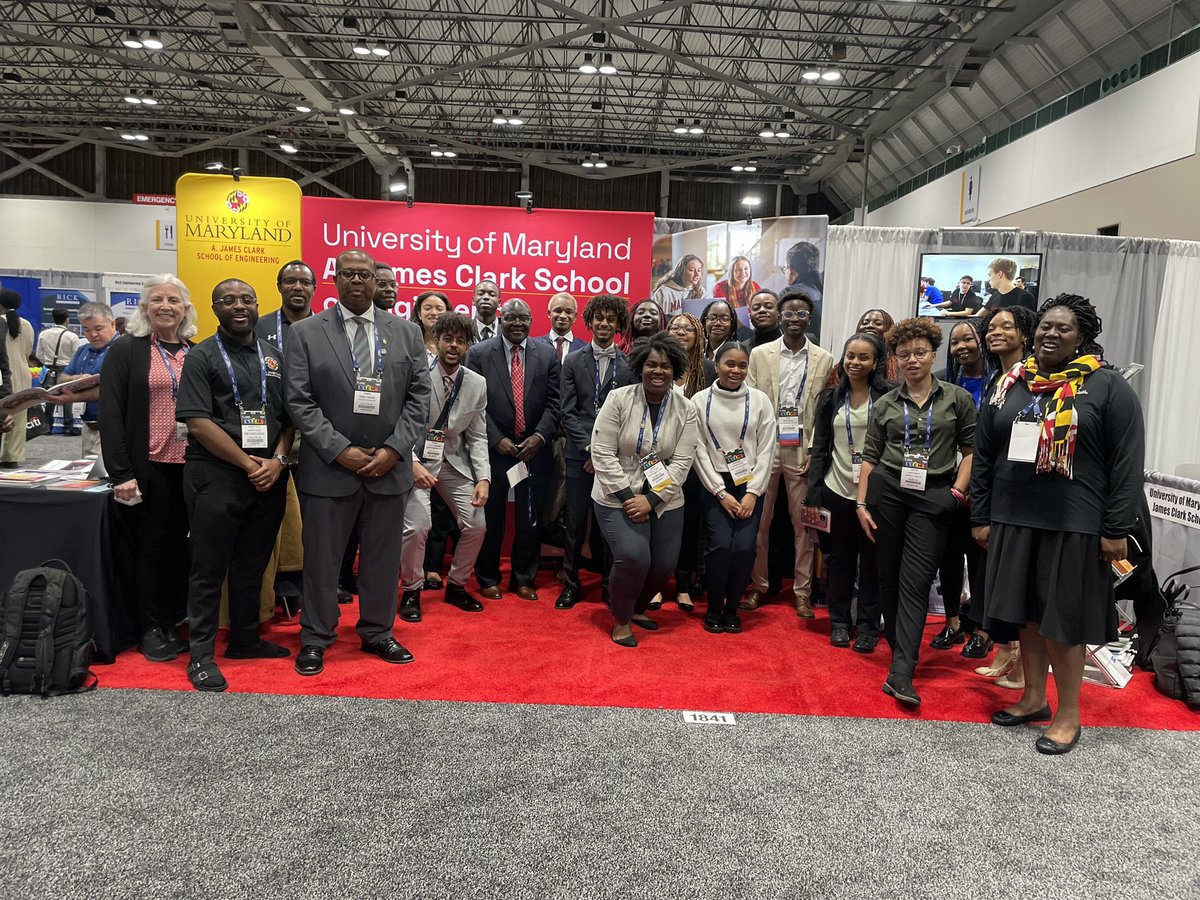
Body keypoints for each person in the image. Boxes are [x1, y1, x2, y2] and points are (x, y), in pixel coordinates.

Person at [972, 294, 1144, 754]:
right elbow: (985, 453)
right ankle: (1033, 698)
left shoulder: (1108, 387)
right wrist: (981, 514)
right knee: (1025, 613)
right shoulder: (1010, 382)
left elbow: (1127, 463)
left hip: (1075, 522)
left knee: (1061, 622)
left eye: (1063, 329)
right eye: (1046, 326)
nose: (1051, 334)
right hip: (1013, 517)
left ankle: (1068, 714)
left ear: (1082, 337)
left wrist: (1114, 528)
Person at [283, 249, 430, 676]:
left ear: (377, 280)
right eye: (348, 275)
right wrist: (339, 449)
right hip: (329, 468)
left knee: (383, 560)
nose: (357, 282)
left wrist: (394, 450)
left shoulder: (406, 333)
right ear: (335, 280)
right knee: (322, 562)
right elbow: (298, 400)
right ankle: (315, 637)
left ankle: (377, 632)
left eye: (365, 275)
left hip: (390, 469)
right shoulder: (306, 333)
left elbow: (420, 399)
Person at [175, 279, 294, 692]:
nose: (239, 306)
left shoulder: (276, 356)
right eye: (228, 300)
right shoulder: (202, 356)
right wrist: (248, 463)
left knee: (252, 563)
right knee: (208, 568)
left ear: (258, 305)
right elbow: (198, 422)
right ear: (214, 308)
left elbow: (291, 417)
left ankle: (245, 639)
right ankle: (202, 655)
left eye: (246, 299)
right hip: (217, 474)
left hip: (270, 474)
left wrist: (277, 461)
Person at [856, 317, 978, 708]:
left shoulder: (956, 398)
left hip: (934, 496)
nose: (912, 359)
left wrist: (957, 493)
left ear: (933, 354)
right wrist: (860, 503)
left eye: (920, 352)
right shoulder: (887, 403)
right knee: (887, 575)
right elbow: (870, 457)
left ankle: (902, 671)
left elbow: (972, 451)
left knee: (916, 578)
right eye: (904, 353)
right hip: (888, 491)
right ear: (895, 358)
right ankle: (899, 651)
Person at [99, 275, 196, 661]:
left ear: (186, 308)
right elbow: (111, 414)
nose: (165, 306)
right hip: (148, 465)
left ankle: (173, 618)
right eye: (156, 299)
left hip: (191, 466)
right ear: (144, 307)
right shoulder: (127, 350)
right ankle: (150, 627)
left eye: (173, 299)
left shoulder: (196, 351)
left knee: (181, 547)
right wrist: (121, 473)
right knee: (152, 548)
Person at [590, 333, 700, 647]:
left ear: (675, 369)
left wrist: (651, 500)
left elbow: (682, 460)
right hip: (616, 493)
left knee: (664, 564)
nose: (658, 371)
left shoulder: (686, 408)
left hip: (665, 496)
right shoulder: (619, 398)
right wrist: (629, 498)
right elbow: (601, 451)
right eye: (652, 364)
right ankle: (621, 620)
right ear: (641, 366)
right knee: (634, 557)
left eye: (666, 366)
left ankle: (636, 608)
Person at [744, 287, 834, 616]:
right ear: (780, 317)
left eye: (801, 314)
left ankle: (802, 591)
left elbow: (825, 411)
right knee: (760, 522)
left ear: (810, 318)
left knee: (804, 525)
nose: (794, 319)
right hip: (765, 448)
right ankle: (760, 586)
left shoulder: (824, 359)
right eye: (789, 313)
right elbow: (750, 403)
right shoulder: (760, 354)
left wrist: (817, 452)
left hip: (803, 449)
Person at [959, 304, 1037, 679]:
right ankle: (1007, 652)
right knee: (998, 579)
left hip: (1025, 499)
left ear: (1025, 334)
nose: (996, 332)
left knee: (1016, 582)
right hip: (998, 493)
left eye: (1006, 326)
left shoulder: (1034, 380)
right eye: (991, 327)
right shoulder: (998, 380)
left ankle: (1020, 663)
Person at [465, 298, 560, 600]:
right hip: (494, 450)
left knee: (530, 518)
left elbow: (555, 403)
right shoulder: (479, 354)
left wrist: (539, 438)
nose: (517, 323)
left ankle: (523, 577)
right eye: (511, 318)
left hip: (534, 451)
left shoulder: (547, 354)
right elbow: (472, 404)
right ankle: (488, 576)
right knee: (491, 518)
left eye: (523, 318)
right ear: (500, 318)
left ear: (532, 320)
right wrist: (496, 438)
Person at [399, 312, 490, 621]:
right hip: (414, 459)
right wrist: (410, 462)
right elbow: (398, 422)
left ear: (468, 346)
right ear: (435, 340)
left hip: (452, 462)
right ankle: (411, 589)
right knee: (418, 526)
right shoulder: (416, 374)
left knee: (477, 525)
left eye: (461, 341)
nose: (454, 346)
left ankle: (457, 586)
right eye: (448, 339)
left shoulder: (476, 383)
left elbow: (477, 436)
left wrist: (484, 478)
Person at [806, 332, 893, 651]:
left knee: (872, 563)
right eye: (850, 356)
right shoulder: (830, 398)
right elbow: (819, 449)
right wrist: (813, 494)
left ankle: (869, 626)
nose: (855, 363)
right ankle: (839, 622)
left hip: (874, 496)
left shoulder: (889, 397)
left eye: (864, 357)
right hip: (836, 489)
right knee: (840, 561)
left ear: (875, 363)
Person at [692, 342, 776, 633]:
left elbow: (767, 450)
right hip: (715, 484)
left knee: (743, 548)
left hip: (750, 484)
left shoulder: (761, 400)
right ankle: (714, 608)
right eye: (729, 363)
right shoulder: (699, 401)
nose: (736, 370)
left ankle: (732, 609)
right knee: (718, 548)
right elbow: (698, 450)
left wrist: (753, 492)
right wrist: (720, 492)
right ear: (716, 365)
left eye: (742, 365)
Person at [558, 295, 631, 609]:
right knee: (574, 522)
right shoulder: (573, 361)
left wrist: (602, 455)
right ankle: (571, 584)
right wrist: (590, 449)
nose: (604, 324)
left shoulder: (628, 366)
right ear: (589, 322)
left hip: (614, 460)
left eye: (610, 319)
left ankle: (607, 585)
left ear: (618, 325)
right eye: (598, 318)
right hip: (579, 455)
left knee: (609, 525)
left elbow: (629, 415)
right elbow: (567, 412)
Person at [927, 320, 989, 653]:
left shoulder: (1000, 384)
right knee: (948, 557)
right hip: (949, 483)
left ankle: (981, 627)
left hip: (986, 488)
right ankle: (952, 622)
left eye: (969, 339)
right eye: (955, 342)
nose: (961, 346)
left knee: (980, 560)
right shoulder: (943, 383)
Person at [658, 310, 715, 611]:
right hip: (659, 459)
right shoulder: (658, 366)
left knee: (690, 524)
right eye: (675, 327)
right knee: (658, 519)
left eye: (688, 329)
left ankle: (682, 586)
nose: (681, 332)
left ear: (698, 336)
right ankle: (655, 584)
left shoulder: (708, 369)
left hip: (696, 460)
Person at [54, 303, 117, 457]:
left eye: (98, 329)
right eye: (87, 330)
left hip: (115, 429)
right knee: (89, 476)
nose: (92, 335)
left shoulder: (123, 349)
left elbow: (115, 389)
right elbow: (61, 378)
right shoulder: (83, 350)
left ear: (113, 324)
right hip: (88, 427)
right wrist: (77, 378)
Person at [0, 290, 35, 469]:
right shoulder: (27, 325)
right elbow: (28, 352)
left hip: (3, 377)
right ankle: (12, 457)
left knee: (2, 416)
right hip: (23, 376)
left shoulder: (0, 323)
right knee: (19, 418)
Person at [35, 307, 81, 436]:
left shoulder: (44, 334)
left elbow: (39, 354)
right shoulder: (72, 336)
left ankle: (47, 426)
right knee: (67, 398)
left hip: (49, 369)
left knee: (49, 397)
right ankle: (68, 427)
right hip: (66, 369)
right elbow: (76, 356)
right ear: (67, 319)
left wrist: (48, 362)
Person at [255, 259, 316, 352]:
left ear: (313, 289)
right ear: (279, 286)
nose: (298, 287)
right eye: (290, 281)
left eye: (305, 282)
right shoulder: (258, 327)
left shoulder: (326, 329)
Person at [540, 292, 587, 363]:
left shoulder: (585, 349)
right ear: (549, 313)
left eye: (568, 312)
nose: (563, 316)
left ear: (575, 316)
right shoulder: (535, 346)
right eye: (558, 311)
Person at [411, 290, 450, 368]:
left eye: (439, 309)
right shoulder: (410, 344)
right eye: (427, 308)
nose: (434, 313)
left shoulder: (456, 344)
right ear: (419, 314)